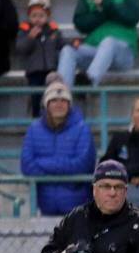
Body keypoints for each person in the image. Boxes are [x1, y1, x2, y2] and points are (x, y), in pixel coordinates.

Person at [58, 0, 139, 88]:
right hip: (94, 51)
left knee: (109, 41)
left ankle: (90, 82)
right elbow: (80, 23)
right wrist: (102, 12)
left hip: (122, 53)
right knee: (68, 50)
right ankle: (61, 96)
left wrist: (106, 3)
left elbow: (132, 16)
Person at [20, 81, 96, 216]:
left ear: (69, 104)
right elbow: (27, 166)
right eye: (54, 100)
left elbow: (83, 165)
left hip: (78, 212)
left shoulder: (82, 128)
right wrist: (64, 175)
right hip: (45, 209)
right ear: (46, 104)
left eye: (63, 100)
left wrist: (44, 163)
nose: (59, 104)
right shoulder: (33, 129)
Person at [15, 0, 65, 118]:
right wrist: (30, 38)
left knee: (50, 97)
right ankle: (36, 118)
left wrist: (74, 43)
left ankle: (51, 118)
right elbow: (20, 48)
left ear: (47, 16)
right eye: (34, 15)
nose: (37, 19)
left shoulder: (53, 31)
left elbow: (62, 43)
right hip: (34, 72)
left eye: (41, 15)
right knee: (36, 97)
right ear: (29, 16)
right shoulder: (25, 31)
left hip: (50, 71)